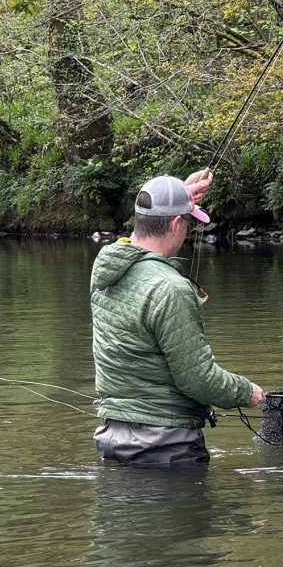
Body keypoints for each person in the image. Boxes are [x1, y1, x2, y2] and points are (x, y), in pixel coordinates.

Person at [90, 171, 265, 467]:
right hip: (167, 447)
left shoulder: (105, 268)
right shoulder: (171, 289)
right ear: (175, 224)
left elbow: (139, 232)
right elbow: (197, 379)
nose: (188, 231)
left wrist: (174, 195)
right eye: (187, 223)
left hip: (113, 440)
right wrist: (246, 392)